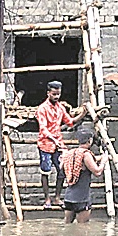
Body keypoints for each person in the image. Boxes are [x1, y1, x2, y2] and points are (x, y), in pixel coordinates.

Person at [37, 81, 84, 209]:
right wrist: (53, 139)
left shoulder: (60, 108)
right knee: (45, 171)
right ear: (48, 93)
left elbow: (70, 122)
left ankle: (57, 198)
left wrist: (82, 114)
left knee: (62, 170)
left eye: (58, 94)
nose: (56, 97)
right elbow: (43, 129)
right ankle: (47, 199)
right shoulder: (42, 109)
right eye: (54, 94)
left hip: (58, 145)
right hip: (45, 144)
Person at [61, 128, 108, 224]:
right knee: (83, 228)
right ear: (89, 141)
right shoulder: (86, 155)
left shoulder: (71, 153)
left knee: (67, 225)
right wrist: (103, 161)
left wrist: (98, 158)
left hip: (69, 197)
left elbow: (64, 167)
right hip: (82, 198)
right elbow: (97, 172)